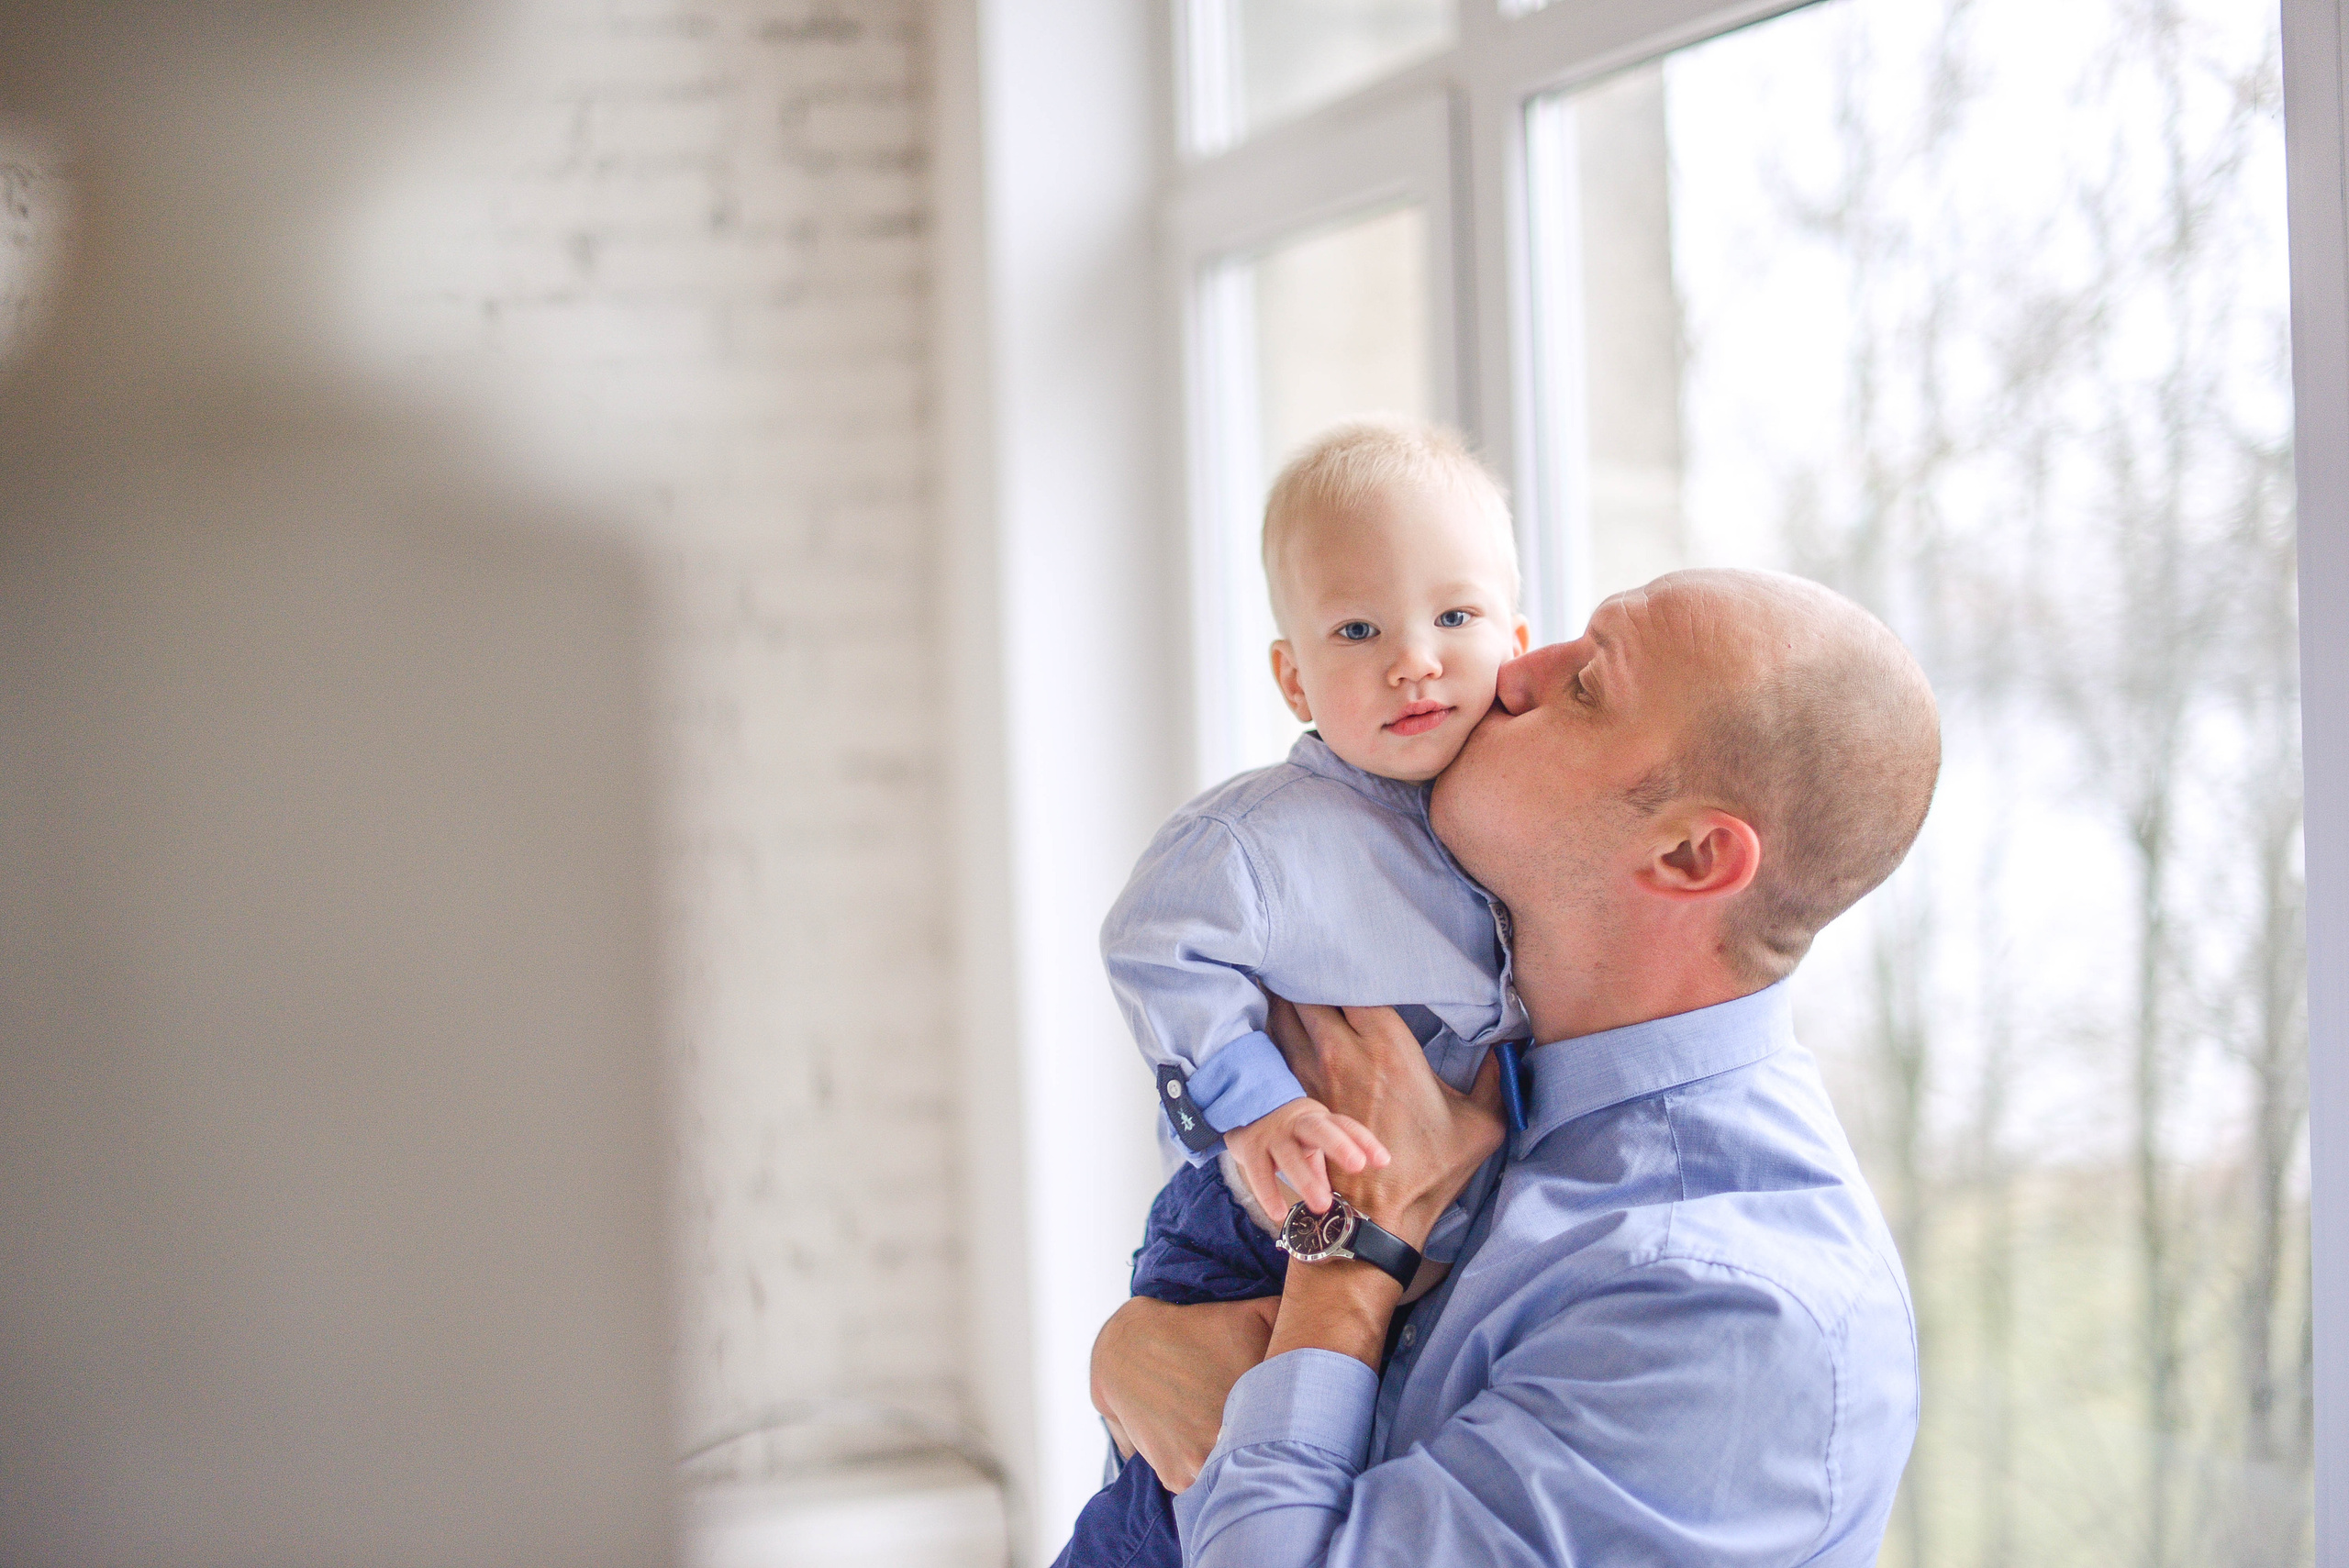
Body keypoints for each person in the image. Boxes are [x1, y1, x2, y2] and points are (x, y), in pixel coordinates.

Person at [1091, 567, 1939, 1566]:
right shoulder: (1433, 1064)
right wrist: (1129, 1350)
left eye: (1584, 685)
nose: (1512, 668)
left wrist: (1346, 1271)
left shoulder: (1738, 1315)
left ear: (1691, 856)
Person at [1058, 418, 1531, 1566]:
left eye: (1453, 618)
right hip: (1251, 1223)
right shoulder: (1267, 836)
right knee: (1170, 1506)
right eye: (1358, 629)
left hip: (1419, 1243)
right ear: (1293, 674)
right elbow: (1153, 939)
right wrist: (1256, 1102)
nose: (1413, 658)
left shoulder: (1508, 814)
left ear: (1516, 641)